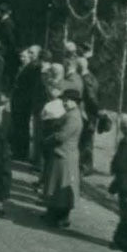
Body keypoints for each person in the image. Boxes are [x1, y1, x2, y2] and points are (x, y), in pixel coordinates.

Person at [41, 89, 83, 228]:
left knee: (61, 187)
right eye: (64, 99)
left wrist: (47, 140)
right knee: (56, 185)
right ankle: (53, 213)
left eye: (67, 100)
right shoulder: (70, 114)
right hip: (62, 154)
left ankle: (61, 217)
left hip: (64, 155)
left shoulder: (73, 117)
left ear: (75, 102)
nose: (64, 102)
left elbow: (62, 136)